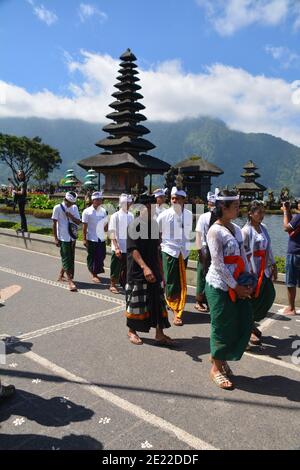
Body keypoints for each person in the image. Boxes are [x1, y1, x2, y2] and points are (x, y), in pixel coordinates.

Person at [205, 190, 253, 390]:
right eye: (235, 206)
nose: (238, 209)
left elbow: (243, 255)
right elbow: (218, 264)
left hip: (238, 283)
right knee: (222, 325)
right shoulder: (214, 231)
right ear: (223, 208)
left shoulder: (235, 228)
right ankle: (216, 368)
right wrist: (235, 287)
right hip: (220, 285)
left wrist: (249, 279)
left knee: (242, 321)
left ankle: (220, 357)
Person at [126, 193, 173, 346]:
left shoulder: (154, 225)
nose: (151, 209)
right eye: (147, 207)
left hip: (154, 268)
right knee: (137, 303)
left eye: (152, 207)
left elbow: (156, 249)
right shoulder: (134, 225)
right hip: (138, 270)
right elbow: (133, 249)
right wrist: (145, 268)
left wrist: (161, 271)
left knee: (158, 302)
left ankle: (159, 333)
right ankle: (132, 331)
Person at [242, 201, 277, 345]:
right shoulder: (245, 231)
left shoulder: (264, 228)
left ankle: (250, 323)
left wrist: (273, 264)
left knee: (268, 294)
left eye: (263, 212)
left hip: (264, 268)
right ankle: (248, 328)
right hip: (252, 269)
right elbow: (243, 254)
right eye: (259, 212)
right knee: (251, 299)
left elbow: (268, 248)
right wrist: (246, 274)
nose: (262, 215)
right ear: (251, 213)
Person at [157, 187, 193, 326]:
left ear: (184, 200)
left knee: (181, 281)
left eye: (177, 198)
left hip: (183, 252)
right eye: (172, 198)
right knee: (171, 281)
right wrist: (160, 250)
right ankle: (176, 311)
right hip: (169, 251)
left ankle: (175, 305)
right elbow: (157, 235)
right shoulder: (164, 215)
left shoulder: (189, 214)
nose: (174, 201)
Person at [52, 192, 81, 292]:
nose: (71, 205)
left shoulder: (74, 208)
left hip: (72, 236)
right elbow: (54, 223)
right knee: (66, 258)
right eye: (69, 203)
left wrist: (71, 216)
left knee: (69, 257)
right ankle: (70, 281)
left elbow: (78, 222)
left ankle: (61, 275)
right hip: (63, 237)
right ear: (65, 200)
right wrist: (56, 238)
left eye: (72, 203)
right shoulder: (57, 208)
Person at [194, 190, 217, 313]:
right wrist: (199, 251)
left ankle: (209, 299)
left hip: (214, 249)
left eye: (214, 203)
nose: (212, 205)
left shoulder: (219, 217)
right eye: (210, 203)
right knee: (201, 275)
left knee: (212, 275)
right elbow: (198, 234)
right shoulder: (203, 217)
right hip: (204, 249)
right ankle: (198, 300)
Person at [108, 194, 134, 294]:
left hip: (128, 246)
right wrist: (116, 247)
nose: (129, 205)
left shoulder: (131, 215)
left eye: (129, 203)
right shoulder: (115, 216)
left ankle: (124, 284)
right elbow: (111, 232)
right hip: (118, 246)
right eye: (127, 203)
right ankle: (112, 284)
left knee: (126, 267)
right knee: (115, 266)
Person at [82, 192, 108, 284]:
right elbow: (84, 227)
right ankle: (94, 274)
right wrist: (84, 239)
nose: (99, 201)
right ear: (93, 200)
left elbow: (105, 225)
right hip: (91, 238)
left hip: (101, 238)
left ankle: (95, 271)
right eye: (97, 200)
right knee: (93, 257)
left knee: (102, 255)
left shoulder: (103, 211)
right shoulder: (87, 211)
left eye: (100, 200)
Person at [282, 200, 300, 315]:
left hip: (294, 253)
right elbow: (292, 224)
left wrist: (284, 212)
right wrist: (288, 210)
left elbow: (286, 228)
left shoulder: (299, 216)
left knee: (290, 282)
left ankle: (291, 308)